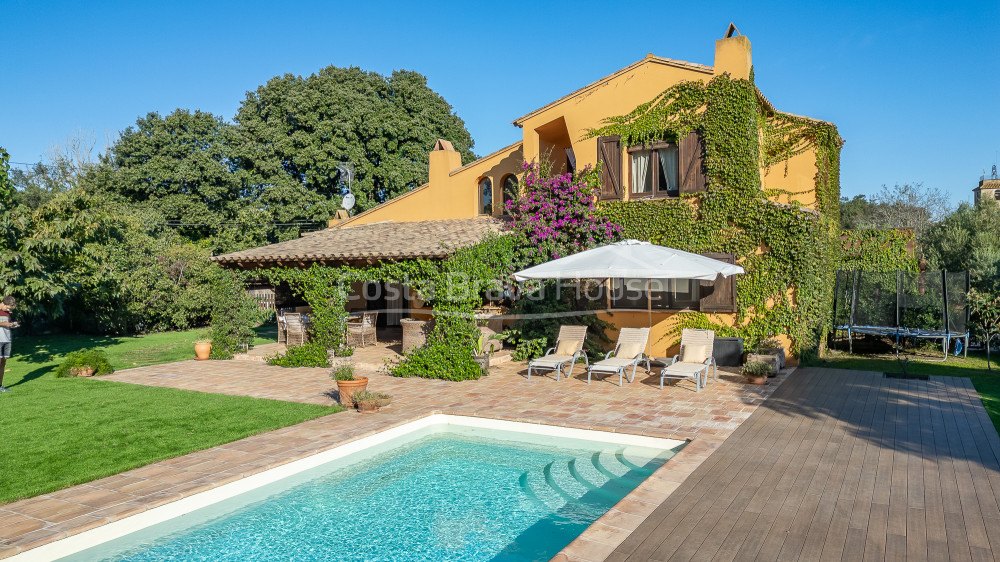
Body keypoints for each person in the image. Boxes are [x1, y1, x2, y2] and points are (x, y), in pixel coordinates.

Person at [0, 296, 18, 392]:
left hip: (7, 340)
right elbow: (3, 323)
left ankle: (0, 386)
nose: (8, 310)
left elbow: (7, 323)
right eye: (7, 308)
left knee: (3, 362)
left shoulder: (6, 313)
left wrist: (12, 324)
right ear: (3, 303)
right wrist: (5, 324)